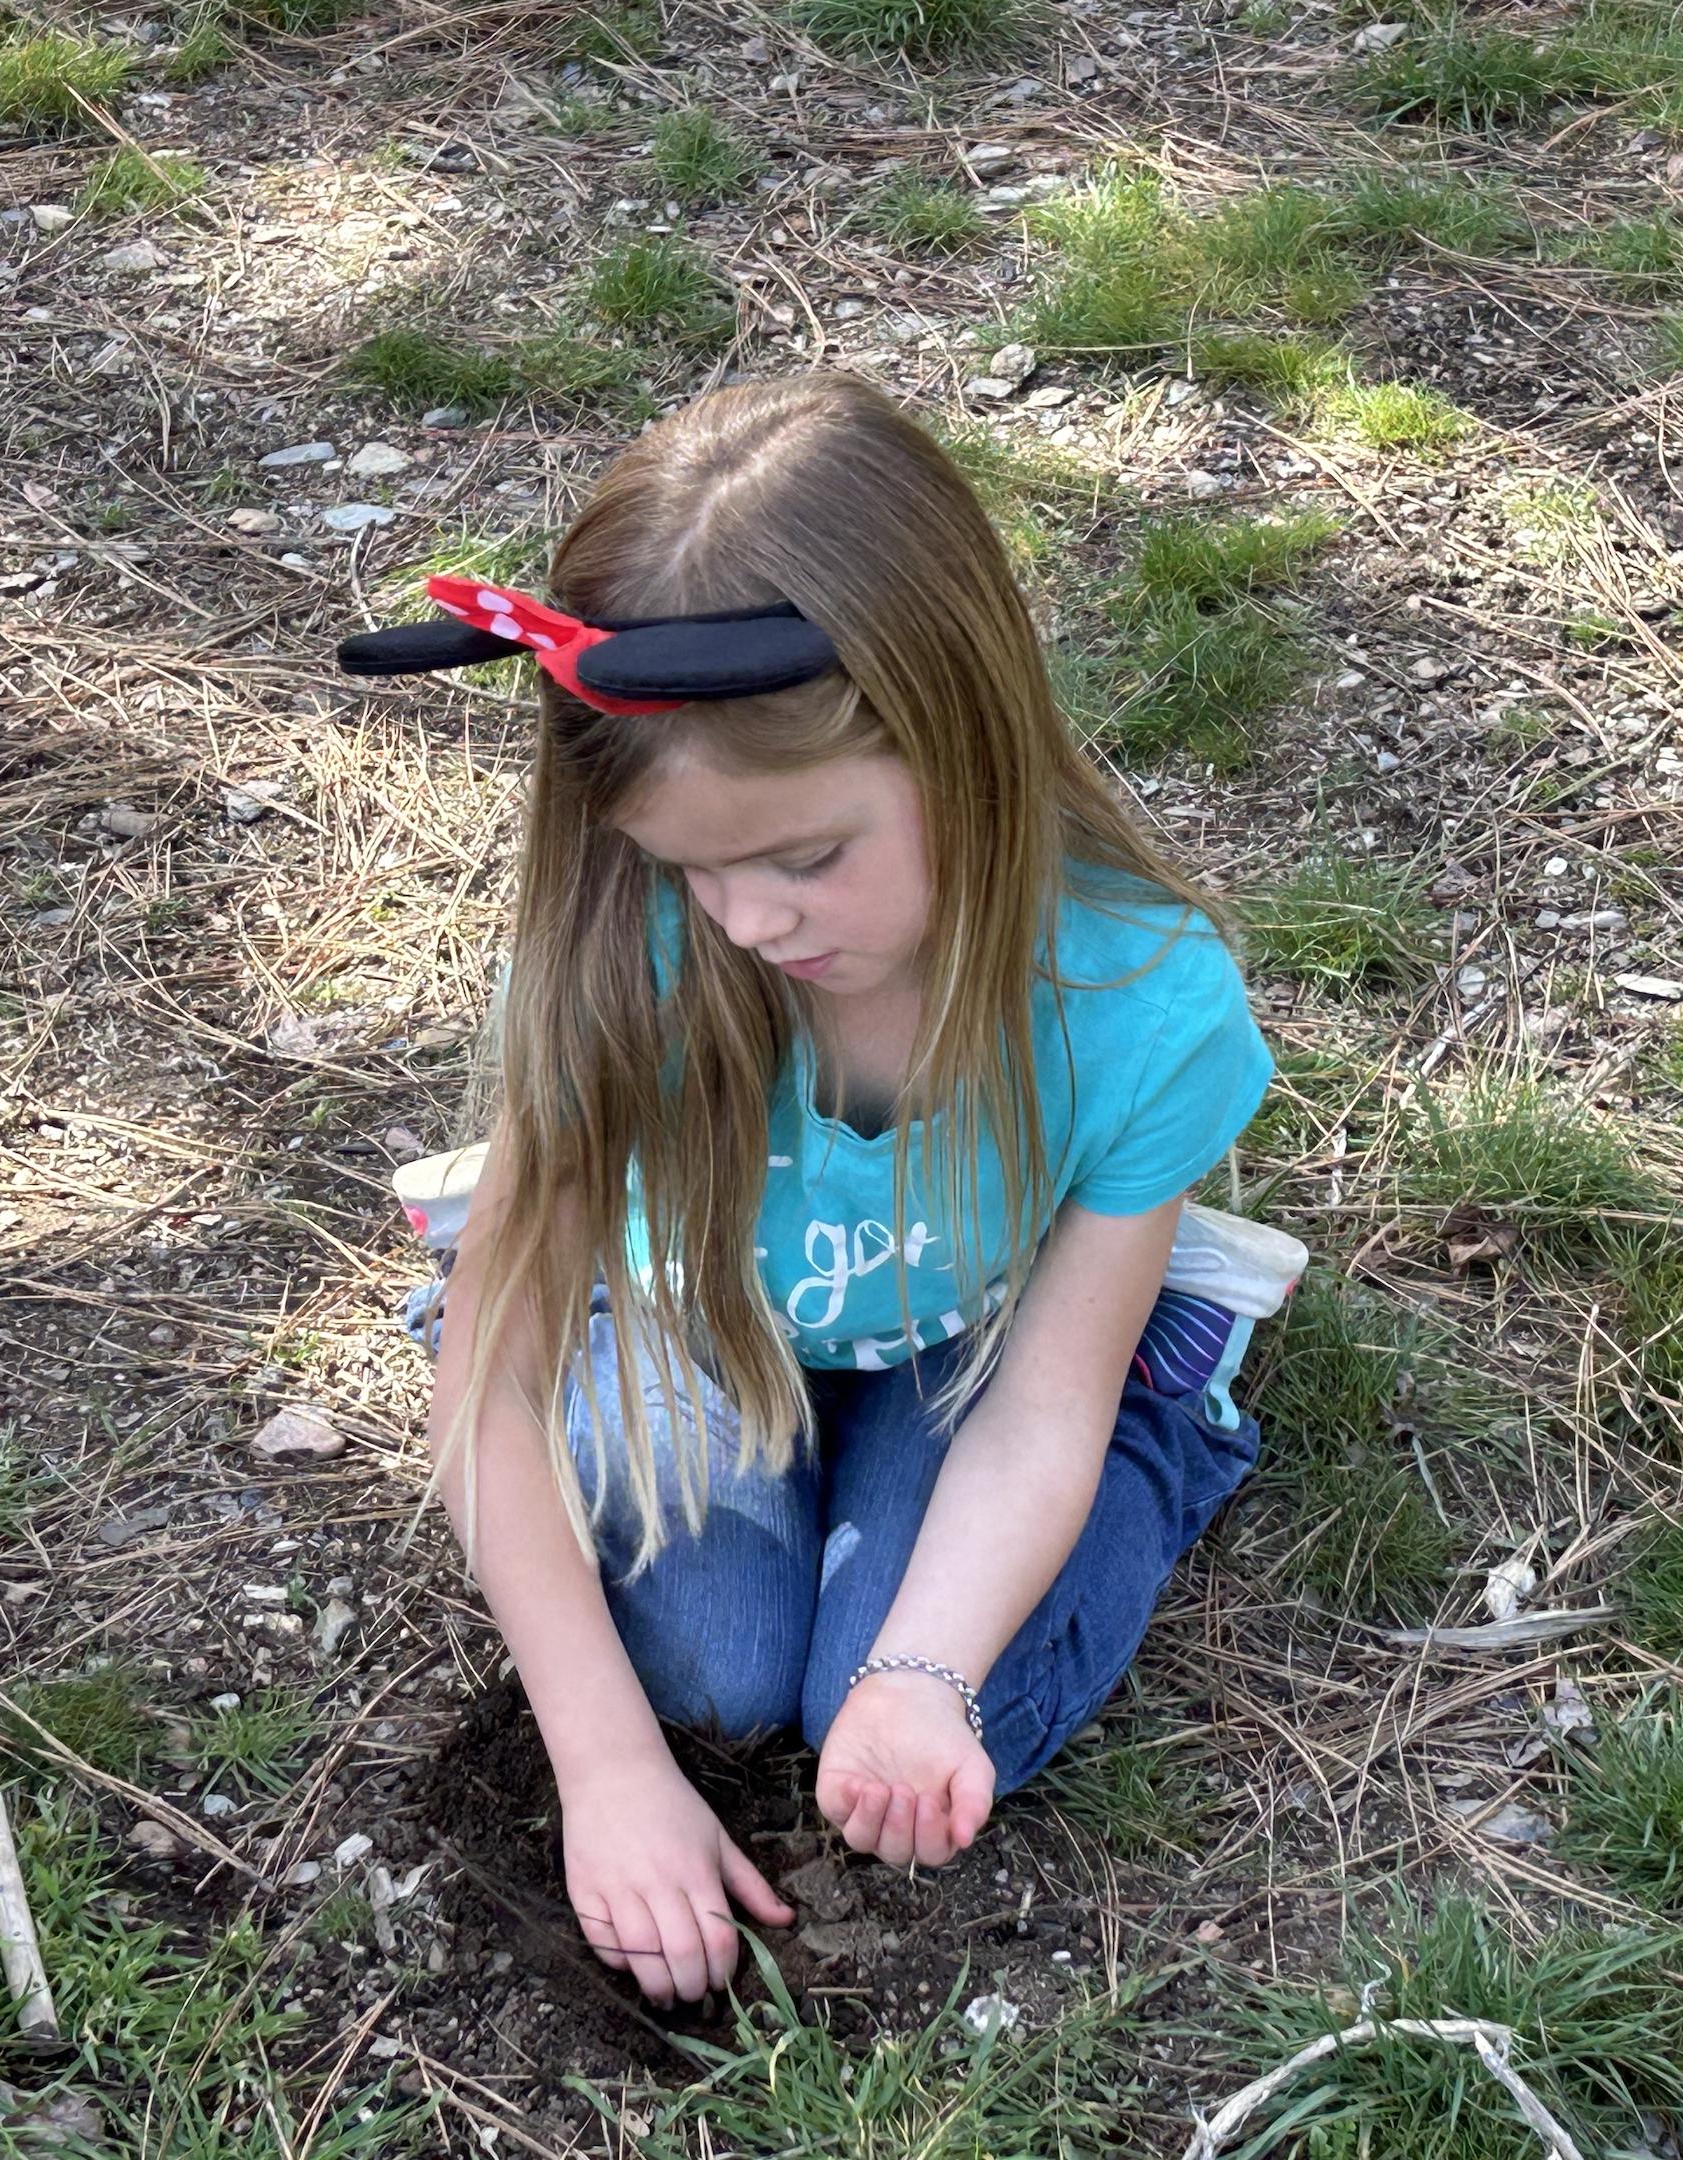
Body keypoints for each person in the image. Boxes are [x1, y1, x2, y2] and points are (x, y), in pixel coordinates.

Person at [346, 370, 1302, 2011]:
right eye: (687, 869)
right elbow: (486, 1388)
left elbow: (1035, 1420)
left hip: (977, 1341)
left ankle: (1182, 1371)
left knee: (912, 1713)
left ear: (970, 744)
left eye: (805, 858)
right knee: (712, 1673)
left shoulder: (1139, 1003)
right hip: (690, 1308)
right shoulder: (634, 968)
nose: (749, 924)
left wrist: (928, 1677)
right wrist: (608, 1770)